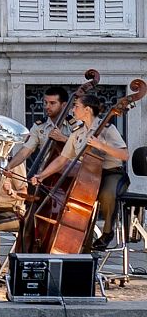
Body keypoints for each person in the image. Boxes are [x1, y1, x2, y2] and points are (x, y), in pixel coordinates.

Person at [31, 92, 130, 253]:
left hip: (112, 173)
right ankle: (82, 241)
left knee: (106, 194)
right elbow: (62, 160)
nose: (72, 109)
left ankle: (107, 232)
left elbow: (124, 155)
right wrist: (42, 176)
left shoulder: (107, 128)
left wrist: (101, 145)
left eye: (76, 106)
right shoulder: (77, 132)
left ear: (88, 110)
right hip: (89, 176)